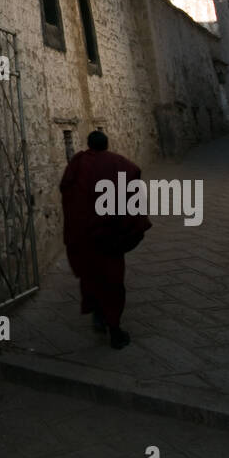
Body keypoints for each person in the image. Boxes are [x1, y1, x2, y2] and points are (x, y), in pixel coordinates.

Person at [59, 129, 151, 349]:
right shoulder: (120, 164)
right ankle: (115, 330)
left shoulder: (78, 163)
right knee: (112, 282)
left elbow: (66, 190)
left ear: (89, 145)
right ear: (106, 144)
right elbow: (134, 184)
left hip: (85, 236)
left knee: (91, 277)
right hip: (110, 235)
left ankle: (99, 314)